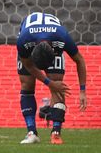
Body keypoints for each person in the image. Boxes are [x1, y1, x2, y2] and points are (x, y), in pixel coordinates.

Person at [16, 12, 87, 145]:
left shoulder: (62, 37)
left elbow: (80, 60)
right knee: (27, 83)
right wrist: (48, 83)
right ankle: (31, 133)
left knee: (58, 83)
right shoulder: (23, 41)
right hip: (30, 43)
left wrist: (82, 90)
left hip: (52, 40)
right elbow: (28, 65)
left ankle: (56, 132)